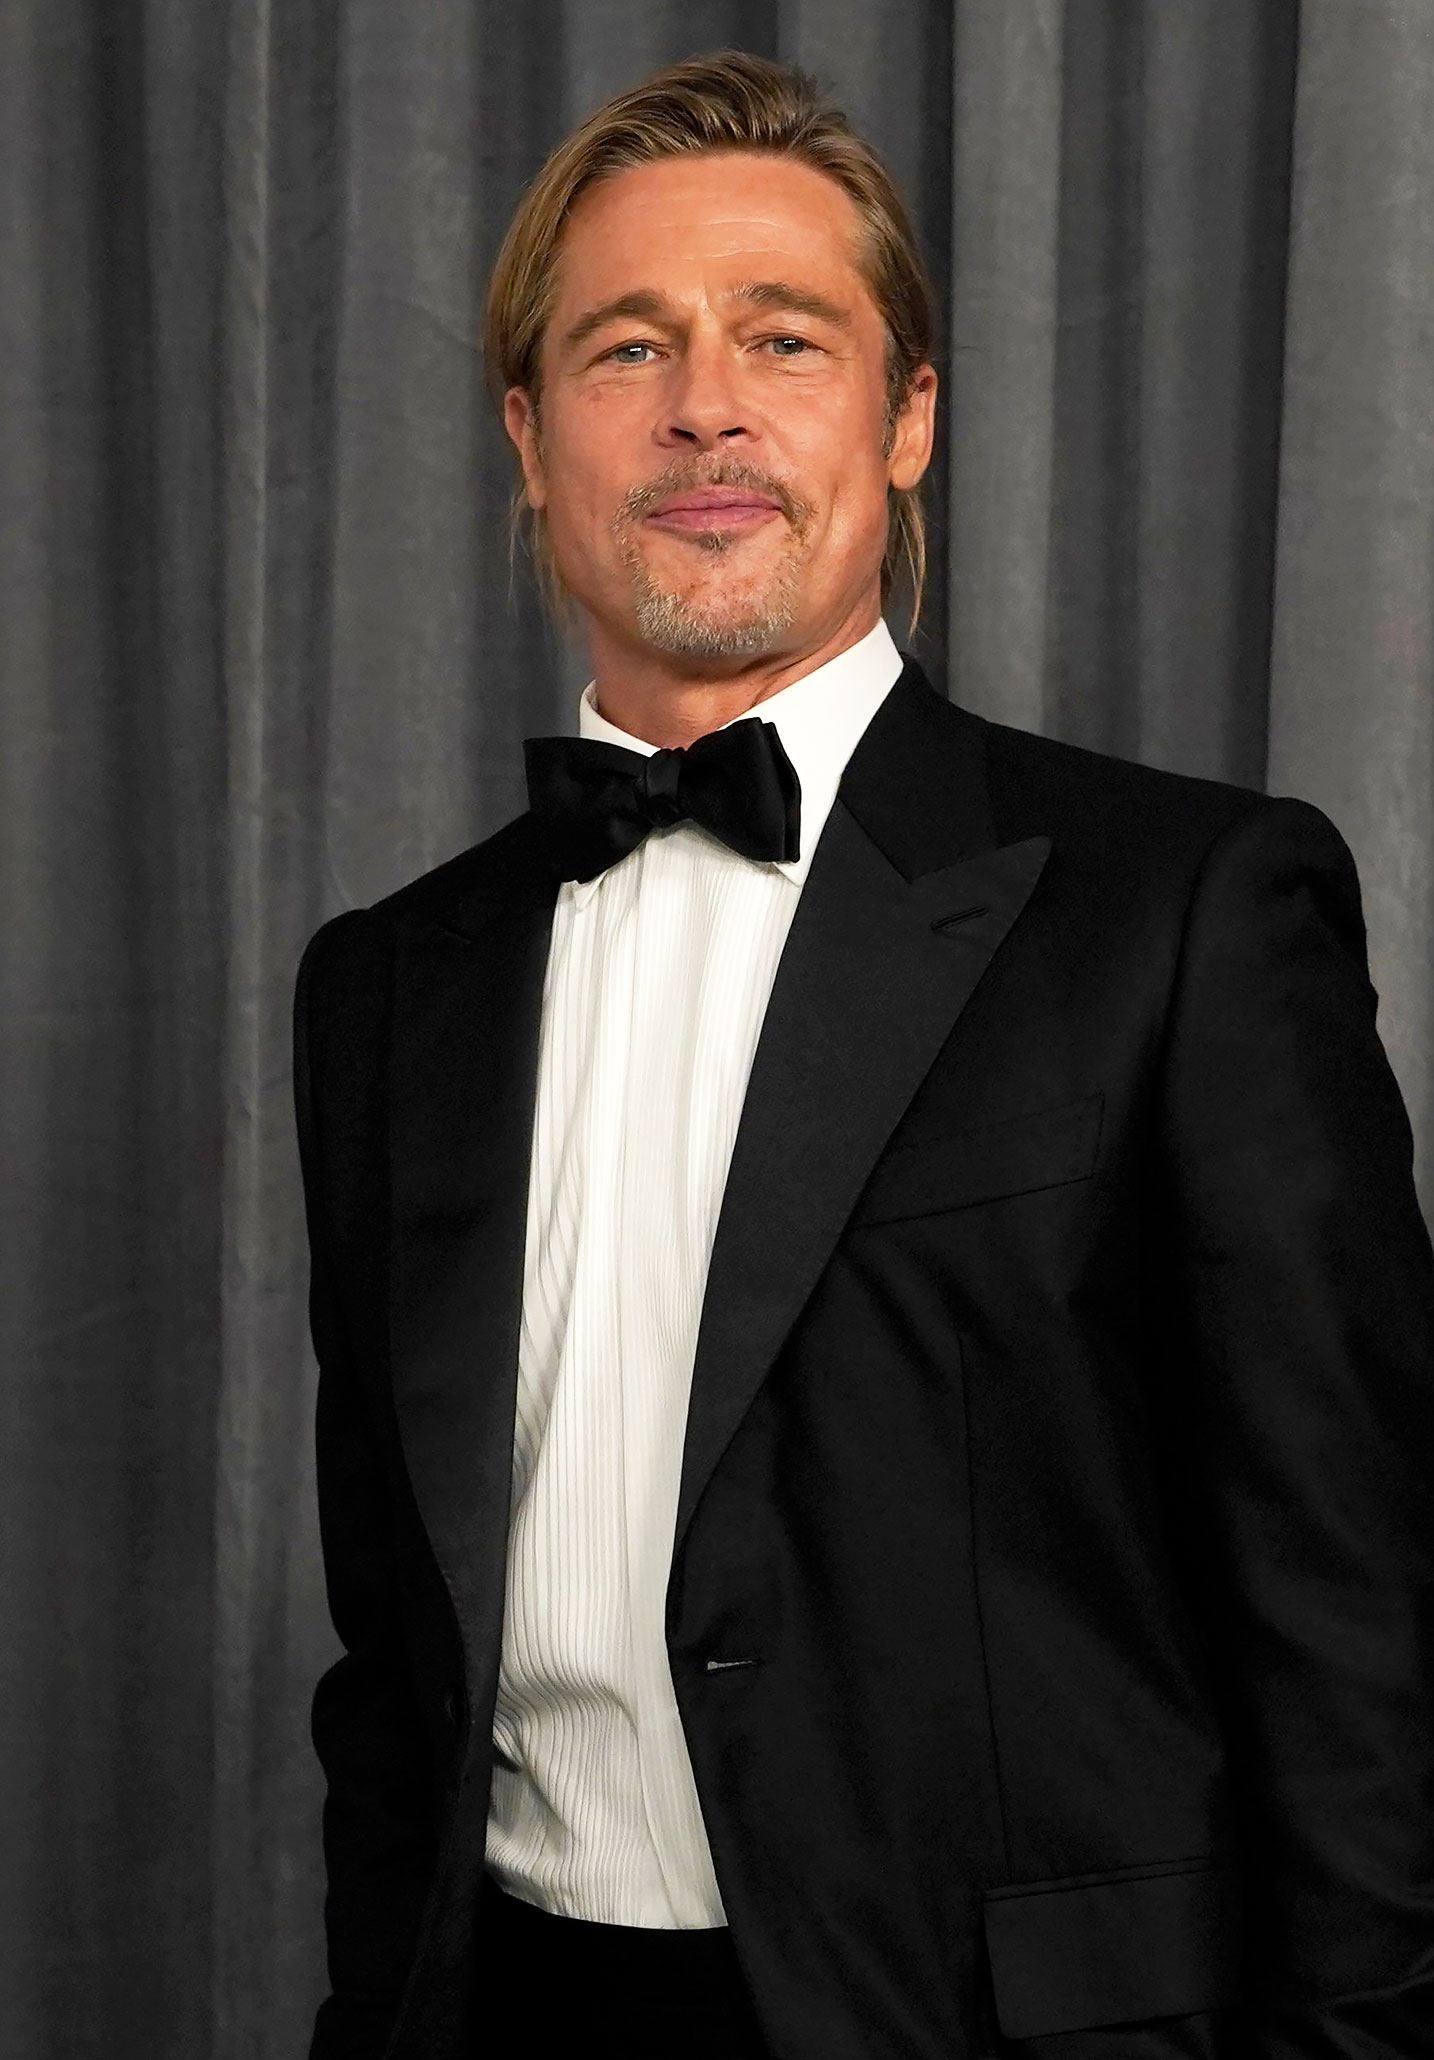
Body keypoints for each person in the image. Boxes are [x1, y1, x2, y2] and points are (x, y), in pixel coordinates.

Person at [293, 48, 1434, 2060]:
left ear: (907, 419)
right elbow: (396, 1655)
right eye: (626, 346)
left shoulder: (1184, 909)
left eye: (784, 338)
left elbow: (1359, 1624)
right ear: (529, 437)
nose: (704, 404)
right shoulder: (391, 985)